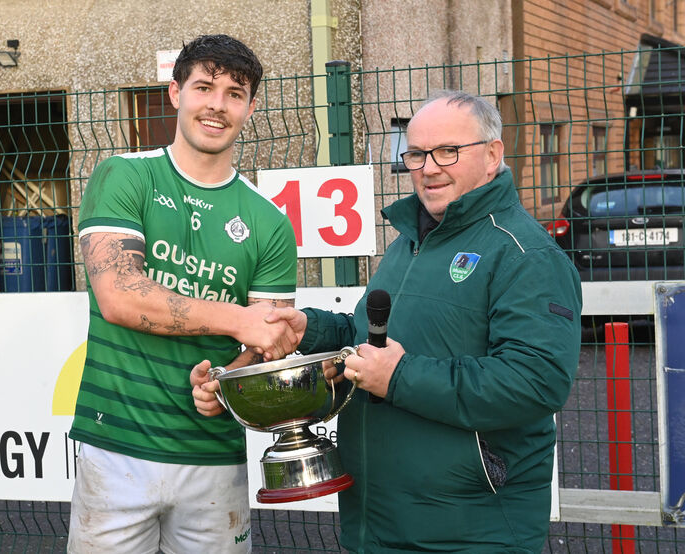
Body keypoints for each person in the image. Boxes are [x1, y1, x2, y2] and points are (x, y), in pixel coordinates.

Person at [194, 90, 582, 552]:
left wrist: (399, 377)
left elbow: (536, 382)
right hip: (376, 523)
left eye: (448, 152)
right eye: (416, 153)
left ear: (493, 154)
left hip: (470, 531)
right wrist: (308, 329)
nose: (429, 167)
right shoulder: (412, 242)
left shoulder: (525, 254)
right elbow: (370, 343)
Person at [68, 34, 298, 554]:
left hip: (213, 458)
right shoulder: (124, 176)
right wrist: (235, 319)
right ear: (176, 93)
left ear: (250, 107)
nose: (217, 105)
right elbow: (120, 296)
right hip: (117, 447)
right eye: (204, 87)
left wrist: (226, 379)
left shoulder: (270, 221)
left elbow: (269, 341)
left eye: (234, 93)